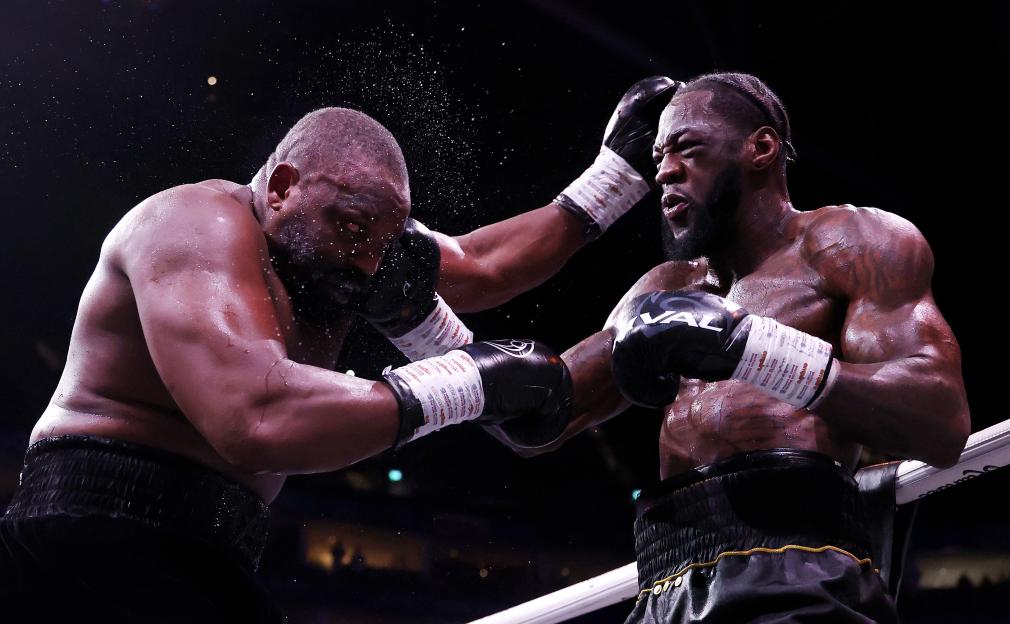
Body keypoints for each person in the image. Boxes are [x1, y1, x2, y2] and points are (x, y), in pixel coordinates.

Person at [0, 78, 679, 623]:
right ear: (281, 185)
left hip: (209, 548)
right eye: (350, 227)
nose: (366, 259)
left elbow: (484, 264)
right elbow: (255, 418)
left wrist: (614, 178)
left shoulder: (359, 236)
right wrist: (465, 382)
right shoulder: (195, 226)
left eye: (383, 239)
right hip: (89, 532)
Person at [494, 72, 971, 622]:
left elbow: (940, 419)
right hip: (664, 577)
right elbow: (536, 419)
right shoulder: (664, 288)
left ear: (761, 148)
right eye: (657, 159)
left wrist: (748, 348)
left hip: (797, 563)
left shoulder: (851, 244)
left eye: (687, 148)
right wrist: (415, 321)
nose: (666, 171)